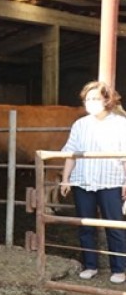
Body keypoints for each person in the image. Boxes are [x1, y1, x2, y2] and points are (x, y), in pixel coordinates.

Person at [60, 81, 126, 284]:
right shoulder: (80, 124)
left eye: (95, 98)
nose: (91, 103)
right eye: (88, 99)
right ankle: (90, 265)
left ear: (107, 100)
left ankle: (119, 268)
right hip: (83, 181)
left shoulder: (121, 124)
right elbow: (71, 153)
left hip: (111, 181)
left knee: (114, 226)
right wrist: (65, 179)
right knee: (85, 225)